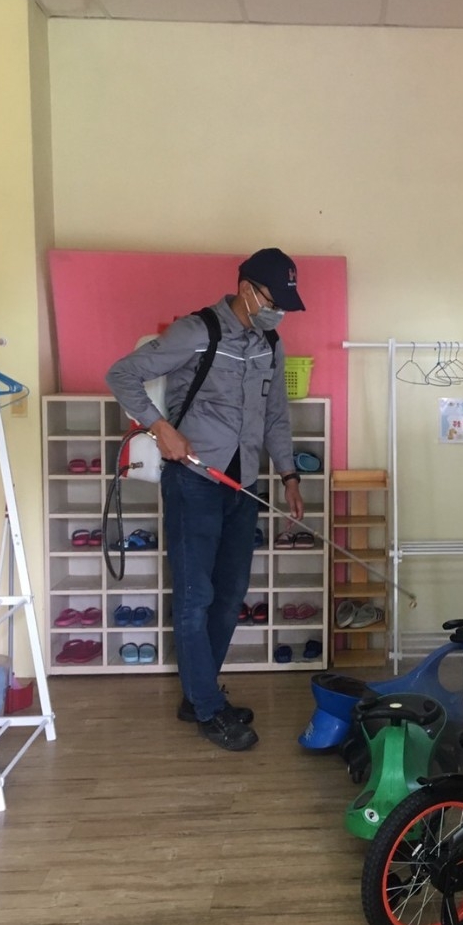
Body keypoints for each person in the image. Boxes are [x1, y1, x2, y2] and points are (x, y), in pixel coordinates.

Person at [105, 249, 306, 752]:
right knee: (196, 596)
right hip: (194, 481)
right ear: (246, 289)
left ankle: (199, 695)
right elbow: (121, 374)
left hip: (245, 486)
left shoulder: (271, 344)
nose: (277, 311)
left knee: (230, 596)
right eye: (272, 300)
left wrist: (288, 474)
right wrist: (160, 428)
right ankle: (209, 708)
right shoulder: (197, 332)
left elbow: (276, 415)